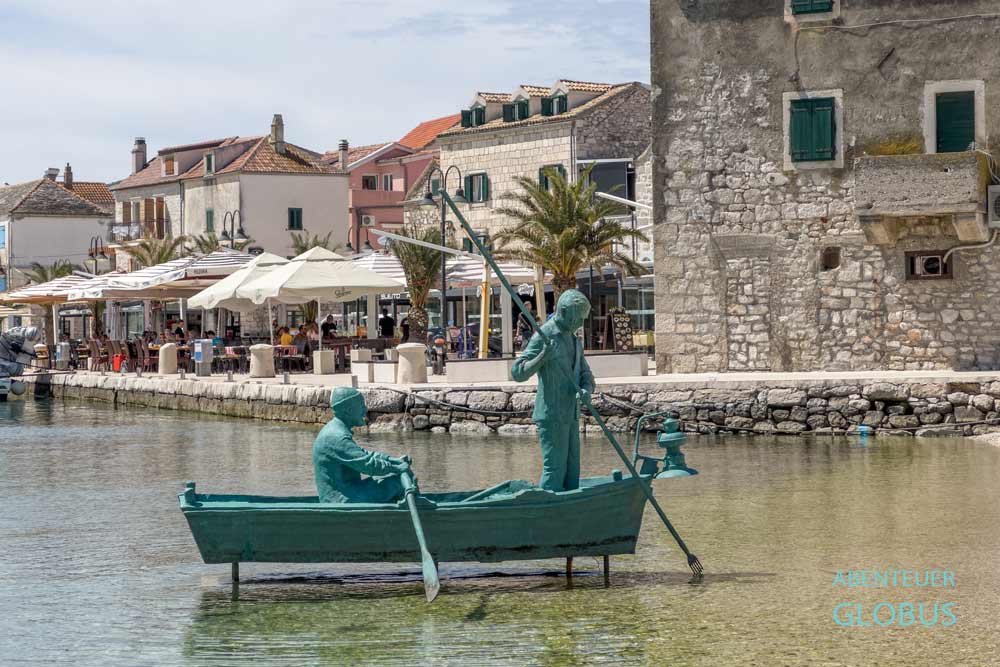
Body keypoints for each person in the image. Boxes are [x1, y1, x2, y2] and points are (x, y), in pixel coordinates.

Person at [511, 289, 595, 492]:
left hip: (571, 413)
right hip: (551, 413)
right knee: (555, 469)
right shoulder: (544, 335)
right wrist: (542, 358)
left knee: (572, 470)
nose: (581, 323)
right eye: (579, 318)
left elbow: (586, 375)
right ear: (564, 311)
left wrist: (586, 390)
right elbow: (518, 372)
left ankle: (569, 510)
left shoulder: (574, 340)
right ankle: (546, 511)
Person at [313, 387, 412, 503]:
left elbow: (364, 455)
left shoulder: (335, 430)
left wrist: (393, 461)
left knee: (391, 479)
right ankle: (418, 511)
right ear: (348, 410)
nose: (365, 410)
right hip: (340, 499)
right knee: (398, 483)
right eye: (361, 406)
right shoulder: (336, 437)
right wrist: (396, 467)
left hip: (348, 490)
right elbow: (367, 465)